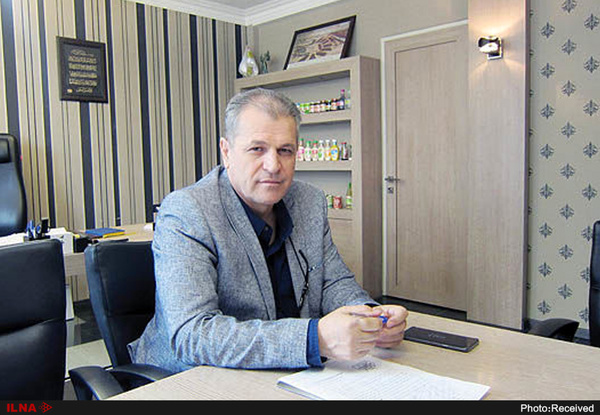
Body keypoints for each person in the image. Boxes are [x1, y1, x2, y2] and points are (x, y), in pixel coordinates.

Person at [128, 88, 408, 372]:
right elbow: (193, 334)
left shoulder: (309, 202)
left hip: (288, 371)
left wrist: (371, 318)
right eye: (257, 149)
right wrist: (315, 339)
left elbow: (332, 282)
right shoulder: (188, 211)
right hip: (190, 377)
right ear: (226, 152)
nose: (274, 166)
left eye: (285, 150)